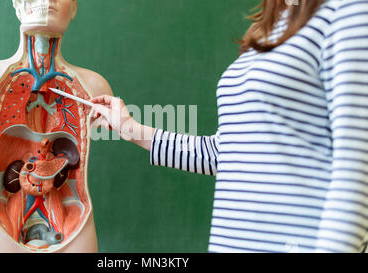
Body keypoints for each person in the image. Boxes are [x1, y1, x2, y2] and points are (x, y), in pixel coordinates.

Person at [89, 0, 368, 253]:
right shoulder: (270, 27)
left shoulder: (347, 10)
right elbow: (228, 152)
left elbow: (357, 165)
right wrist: (131, 129)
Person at [0, 0, 112, 252]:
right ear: (17, 5)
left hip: (73, 227)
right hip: (0, 227)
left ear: (73, 8)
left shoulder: (95, 88)